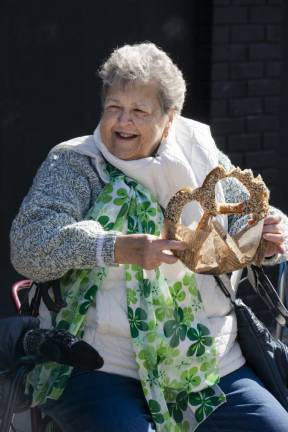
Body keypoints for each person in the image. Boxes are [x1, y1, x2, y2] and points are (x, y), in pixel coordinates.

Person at [10, 42, 288, 432]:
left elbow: (248, 221)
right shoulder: (75, 162)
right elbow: (28, 247)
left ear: (170, 118)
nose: (123, 122)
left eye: (139, 111)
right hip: (100, 363)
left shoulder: (201, 157)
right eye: (114, 108)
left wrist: (270, 238)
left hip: (203, 362)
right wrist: (114, 247)